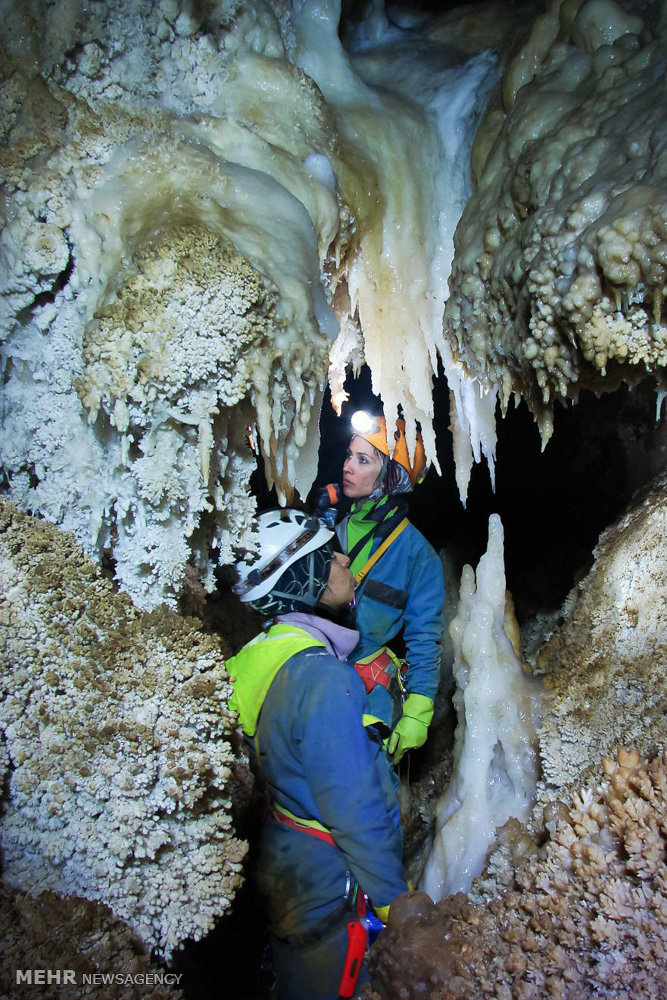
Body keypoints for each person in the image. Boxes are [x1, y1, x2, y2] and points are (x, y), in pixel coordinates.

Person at [228, 508, 408, 1000]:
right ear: (307, 578)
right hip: (328, 889)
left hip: (286, 874)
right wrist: (397, 903)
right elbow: (353, 809)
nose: (345, 558)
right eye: (330, 556)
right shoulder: (324, 678)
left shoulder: (266, 656)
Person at [331, 410, 445, 766]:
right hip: (316, 664)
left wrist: (418, 709)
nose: (348, 466)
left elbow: (424, 635)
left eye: (363, 460)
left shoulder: (418, 556)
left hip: (365, 687)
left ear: (390, 478)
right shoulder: (336, 530)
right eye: (350, 455)